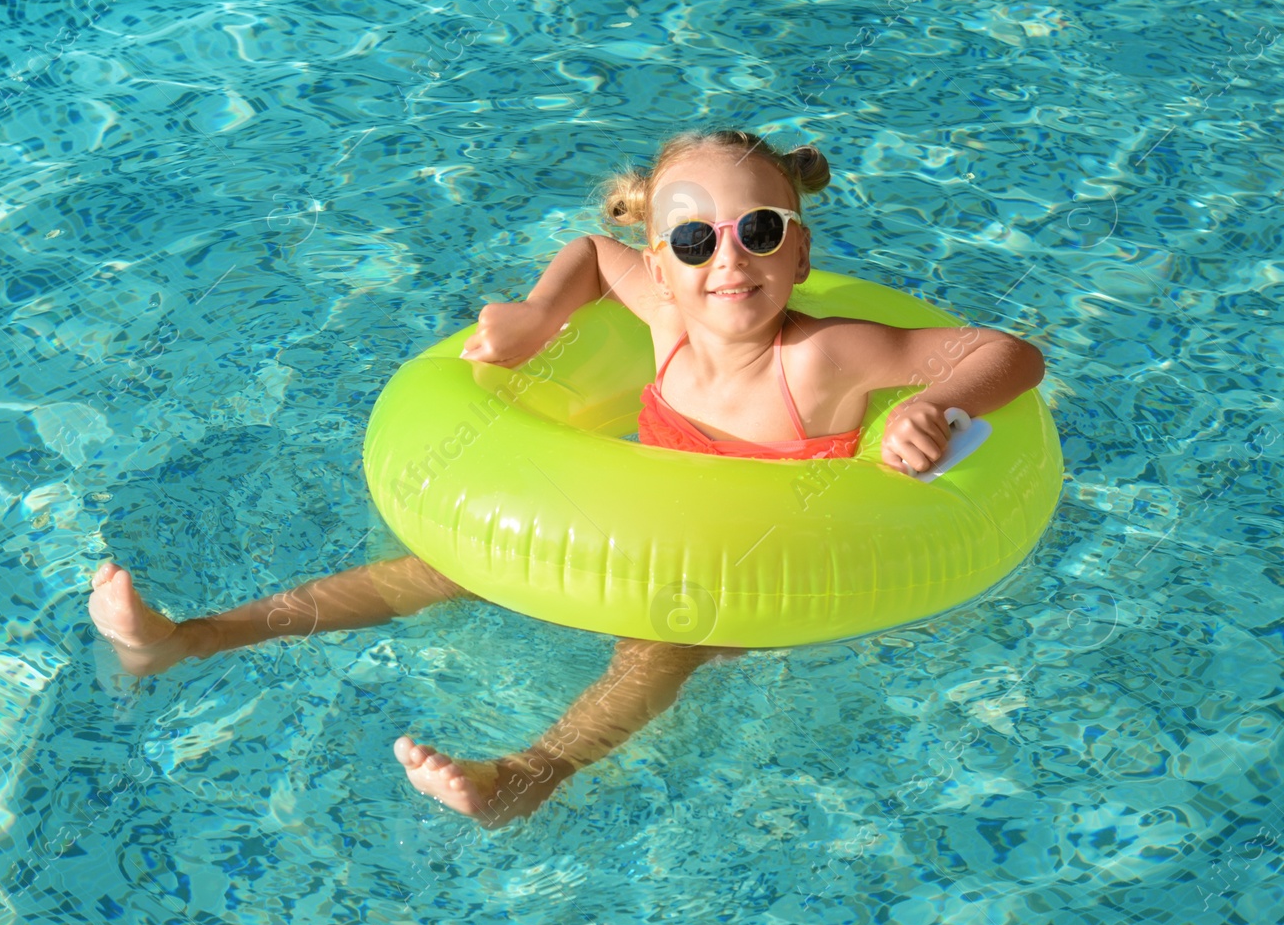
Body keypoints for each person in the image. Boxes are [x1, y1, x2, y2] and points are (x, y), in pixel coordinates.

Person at [88, 128, 1046, 828]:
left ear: (799, 250)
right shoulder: (666, 320)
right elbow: (590, 254)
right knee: (433, 567)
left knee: (655, 653)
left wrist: (939, 407)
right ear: (660, 266)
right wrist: (541, 317)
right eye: (694, 240)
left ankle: (524, 776)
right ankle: (190, 639)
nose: (729, 259)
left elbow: (1006, 351)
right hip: (626, 516)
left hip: (746, 563)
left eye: (759, 230)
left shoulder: (828, 357)